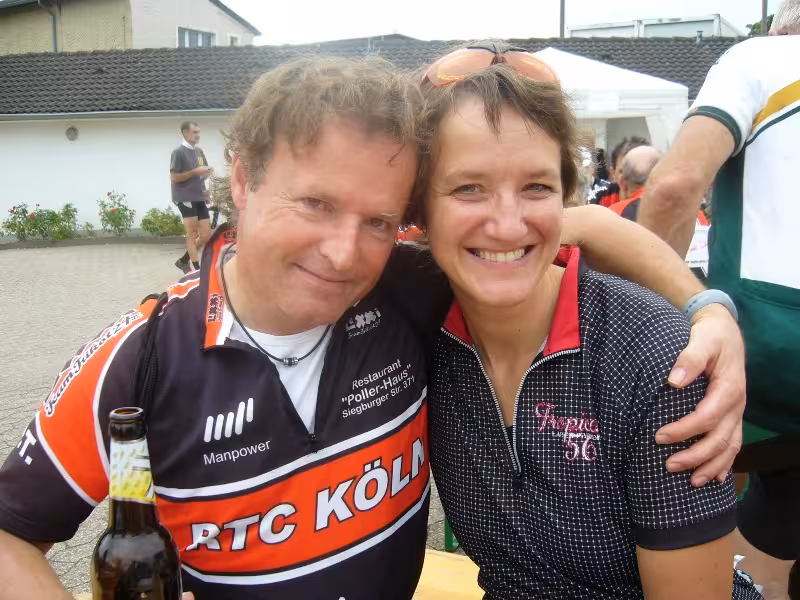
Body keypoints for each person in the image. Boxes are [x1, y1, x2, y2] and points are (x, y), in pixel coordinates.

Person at [0, 56, 746, 600]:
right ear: (244, 179)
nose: (342, 252)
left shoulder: (406, 290)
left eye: (379, 221)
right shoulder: (143, 355)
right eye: (315, 204)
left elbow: (555, 230)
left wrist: (708, 310)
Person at [413, 43, 761, 599]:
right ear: (419, 210)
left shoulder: (655, 358)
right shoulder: (414, 322)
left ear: (566, 198)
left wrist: (709, 309)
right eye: (468, 188)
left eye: (536, 186)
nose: (507, 224)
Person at [636, 2, 800, 596]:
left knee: (659, 447)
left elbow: (675, 187)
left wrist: (635, 316)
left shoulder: (763, 57)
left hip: (775, 355)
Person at [172, 121, 213, 273]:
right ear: (185, 133)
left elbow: (202, 173)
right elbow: (174, 177)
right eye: (195, 132)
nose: (198, 135)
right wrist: (194, 172)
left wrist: (206, 191)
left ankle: (183, 261)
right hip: (185, 197)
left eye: (198, 132)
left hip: (199, 196)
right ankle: (197, 271)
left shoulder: (199, 151)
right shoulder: (178, 152)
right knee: (192, 234)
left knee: (206, 235)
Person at [588, 136, 649, 207]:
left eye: (637, 172)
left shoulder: (654, 198)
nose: (630, 178)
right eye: (623, 172)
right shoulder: (600, 197)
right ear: (613, 174)